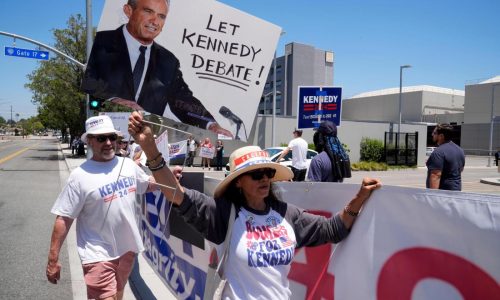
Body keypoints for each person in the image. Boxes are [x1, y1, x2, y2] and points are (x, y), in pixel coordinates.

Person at [128, 111, 381, 299]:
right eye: (256, 175)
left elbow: (333, 229)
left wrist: (360, 198)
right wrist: (150, 150)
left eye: (268, 173)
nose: (264, 179)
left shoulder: (287, 214)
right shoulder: (223, 213)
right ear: (238, 182)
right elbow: (176, 193)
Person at [81, 0, 232, 138]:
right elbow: (90, 81)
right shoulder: (101, 43)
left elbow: (184, 100)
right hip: (108, 131)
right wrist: (114, 99)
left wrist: (210, 124)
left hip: (146, 138)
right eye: (148, 11)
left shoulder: (168, 61)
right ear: (128, 11)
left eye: (161, 16)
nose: (155, 21)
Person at [46, 115, 156, 300]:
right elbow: (64, 218)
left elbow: (147, 184)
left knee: (118, 294)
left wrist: (168, 177)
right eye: (100, 138)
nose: (108, 142)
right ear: (89, 141)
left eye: (112, 138)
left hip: (127, 249)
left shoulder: (127, 164)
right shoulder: (79, 176)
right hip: (96, 253)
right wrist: (53, 259)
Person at [426, 123, 465, 191]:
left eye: (434, 133)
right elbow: (460, 169)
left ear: (441, 136)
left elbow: (435, 176)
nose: (432, 134)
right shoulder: (460, 150)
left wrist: (433, 196)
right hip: (456, 191)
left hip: (443, 195)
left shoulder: (438, 152)